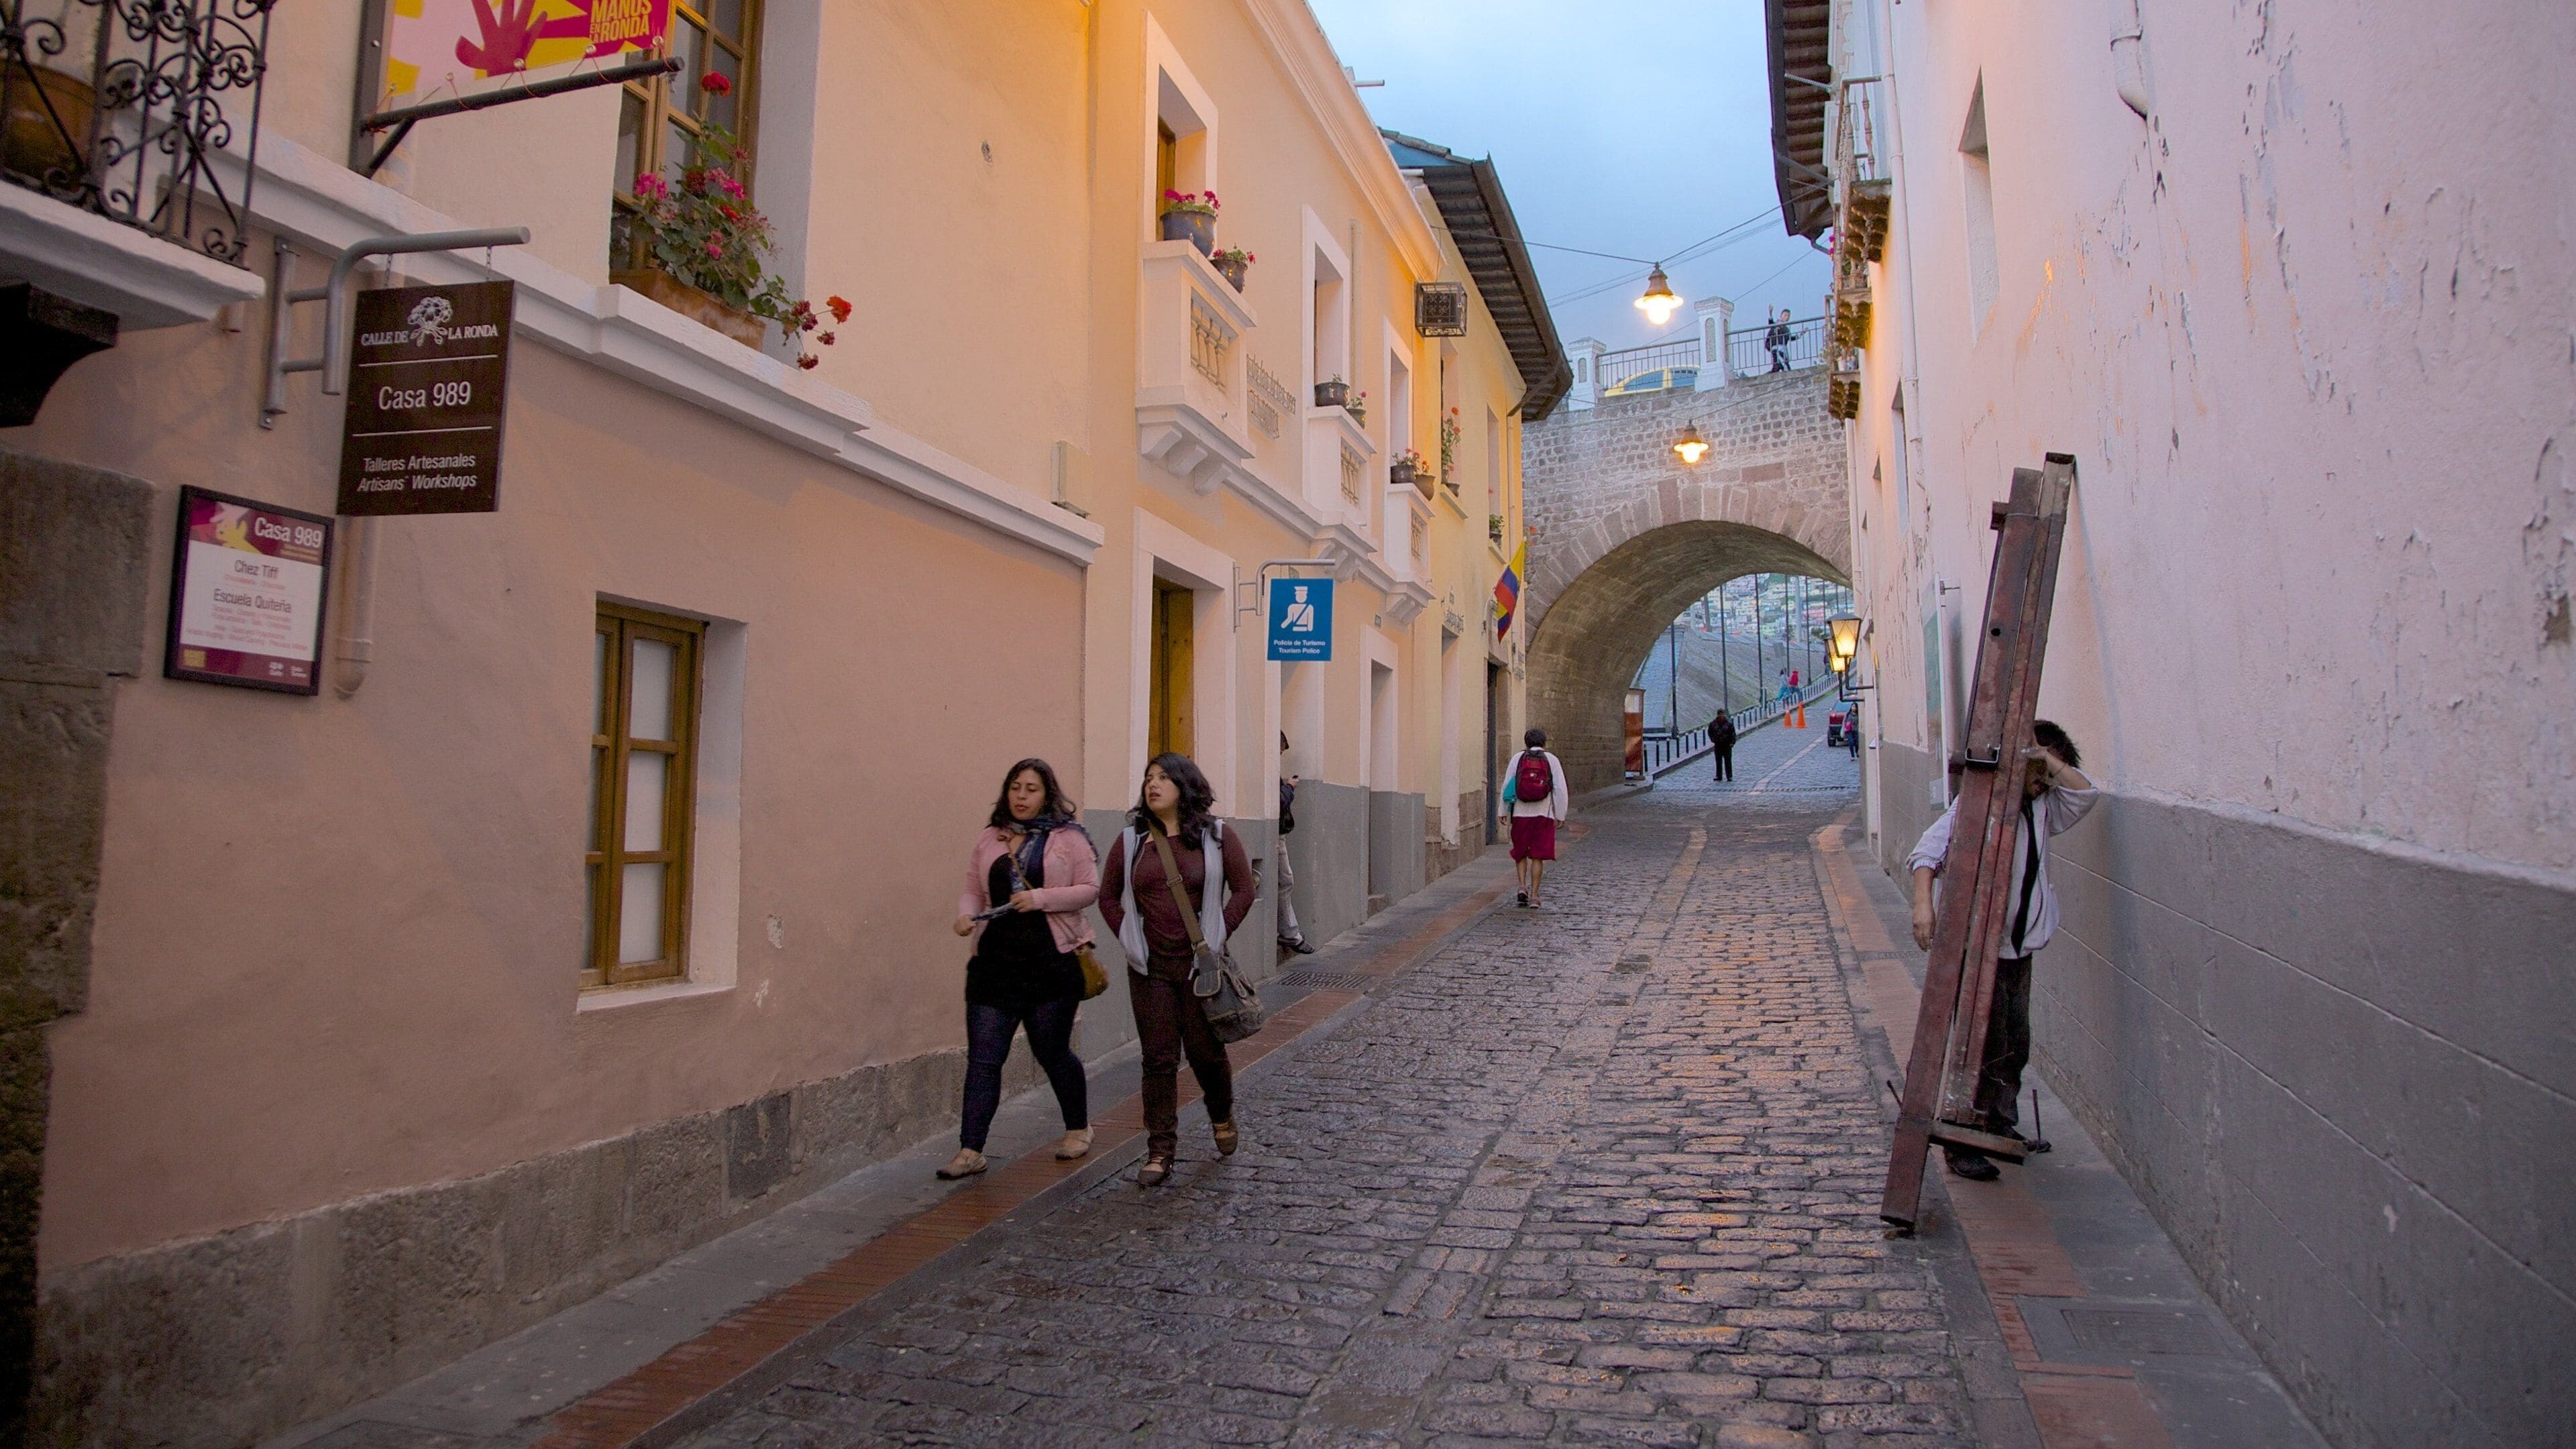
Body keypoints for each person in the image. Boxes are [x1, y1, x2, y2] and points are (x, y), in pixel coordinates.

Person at [1907, 720, 2098, 1181]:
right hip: (1979, 947)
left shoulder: (2045, 807)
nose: (2041, 782)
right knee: (1978, 1044)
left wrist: (2043, 760)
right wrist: (1923, 908)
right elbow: (1927, 853)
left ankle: (1998, 1123)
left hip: (2018, 950)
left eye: (2044, 774)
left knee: (2014, 1044)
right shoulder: (1978, 806)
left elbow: (2086, 794)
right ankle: (1960, 1136)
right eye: (2034, 772)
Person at [1097, 753, 1256, 1187]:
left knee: (1206, 1055)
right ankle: (1160, 1151)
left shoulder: (1217, 836)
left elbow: (1243, 889)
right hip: (1150, 970)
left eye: (1164, 778)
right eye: (1149, 778)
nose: (1154, 785)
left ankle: (1221, 1114)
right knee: (1158, 1060)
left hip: (1200, 969)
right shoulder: (1131, 841)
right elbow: (1108, 896)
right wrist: (1130, 938)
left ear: (1185, 786)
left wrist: (1218, 933)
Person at [942, 759, 1099, 1180]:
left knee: (1051, 1051)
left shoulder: (1069, 839)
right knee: (984, 1059)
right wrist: (964, 916)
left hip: (1051, 965)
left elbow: (1089, 889)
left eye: (1031, 789)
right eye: (1015, 787)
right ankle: (971, 1149)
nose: (1022, 796)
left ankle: (1079, 1127)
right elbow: (972, 890)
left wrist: (1042, 898)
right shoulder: (991, 838)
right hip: (994, 967)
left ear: (1047, 794)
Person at [1505, 727, 1570, 908]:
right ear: (1544, 743)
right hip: (1543, 814)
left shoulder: (1517, 759)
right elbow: (1560, 788)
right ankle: (1534, 895)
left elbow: (1508, 785)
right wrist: (1561, 814)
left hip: (1520, 813)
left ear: (1526, 742)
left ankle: (1521, 886)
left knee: (1521, 852)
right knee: (1537, 856)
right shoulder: (1552, 760)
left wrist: (1502, 811)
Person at [1275, 733, 1316, 956]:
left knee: (1285, 881)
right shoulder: (1269, 769)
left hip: (1278, 833)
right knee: (1285, 880)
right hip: (1277, 835)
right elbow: (1279, 802)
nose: (1281, 755)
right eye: (1280, 750)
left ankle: (1289, 932)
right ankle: (1290, 933)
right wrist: (1290, 787)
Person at [1708, 709, 1737, 782]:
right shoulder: (1713, 724)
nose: (1721, 715)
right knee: (1718, 761)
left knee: (1728, 761)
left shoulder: (1729, 723)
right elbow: (1710, 732)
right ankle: (1719, 776)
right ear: (1718, 715)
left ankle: (1729, 776)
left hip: (1727, 745)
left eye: (1722, 714)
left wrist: (1732, 742)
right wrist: (1713, 739)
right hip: (1718, 744)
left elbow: (1733, 733)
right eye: (1719, 714)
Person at [1765, 308, 1792, 372]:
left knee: (1777, 366)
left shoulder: (1786, 329)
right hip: (1776, 347)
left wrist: (1802, 334)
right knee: (1783, 364)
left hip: (1782, 348)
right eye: (1785, 315)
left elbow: (1790, 338)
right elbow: (1771, 323)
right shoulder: (1777, 324)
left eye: (1788, 316)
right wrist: (1770, 313)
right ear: (1781, 316)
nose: (1787, 318)